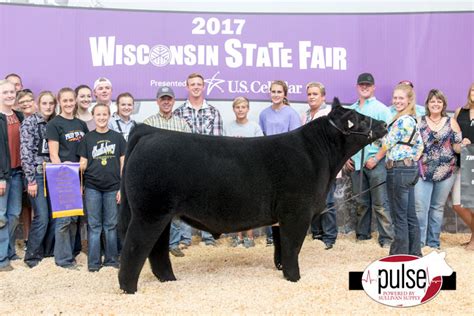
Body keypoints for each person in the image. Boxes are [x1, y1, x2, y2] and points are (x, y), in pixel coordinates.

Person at [372, 84, 423, 256]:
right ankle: (414, 254)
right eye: (395, 98)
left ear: (409, 100)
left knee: (399, 216)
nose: (397, 101)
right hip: (409, 170)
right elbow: (420, 147)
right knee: (409, 215)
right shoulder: (412, 119)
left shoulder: (401, 120)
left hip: (398, 170)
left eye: (401, 98)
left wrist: (376, 149)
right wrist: (410, 159)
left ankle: (399, 255)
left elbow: (387, 143)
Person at [173, 73, 223, 246]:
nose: (195, 87)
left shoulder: (213, 111)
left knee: (208, 199)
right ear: (187, 87)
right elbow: (178, 142)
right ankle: (185, 239)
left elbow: (217, 142)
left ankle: (208, 237)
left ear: (203, 87)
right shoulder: (178, 112)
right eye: (192, 84)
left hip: (208, 164)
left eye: (199, 84)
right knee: (183, 200)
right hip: (185, 164)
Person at [344, 72, 394, 248]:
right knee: (361, 203)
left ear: (373, 87)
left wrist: (377, 157)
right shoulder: (351, 110)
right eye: (361, 85)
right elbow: (345, 137)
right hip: (356, 163)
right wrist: (345, 157)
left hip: (376, 162)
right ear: (357, 87)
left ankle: (387, 239)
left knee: (380, 203)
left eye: (368, 85)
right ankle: (362, 237)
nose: (364, 87)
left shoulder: (382, 109)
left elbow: (390, 138)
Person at [144, 86, 191, 256]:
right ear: (157, 101)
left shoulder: (182, 124)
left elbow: (190, 150)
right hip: (156, 174)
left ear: (173, 101)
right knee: (157, 211)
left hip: (178, 174)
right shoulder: (148, 124)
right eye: (163, 99)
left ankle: (173, 243)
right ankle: (156, 244)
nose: (166, 102)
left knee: (176, 210)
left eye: (169, 99)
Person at [79, 103, 125, 272]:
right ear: (94, 116)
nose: (101, 117)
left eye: (104, 114)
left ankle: (112, 260)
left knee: (111, 225)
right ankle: (93, 263)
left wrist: (122, 187)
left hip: (113, 187)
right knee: (94, 225)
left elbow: (123, 163)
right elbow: (83, 163)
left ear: (109, 116)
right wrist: (78, 180)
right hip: (92, 187)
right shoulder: (87, 138)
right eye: (98, 114)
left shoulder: (118, 138)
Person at [46, 87, 89, 269]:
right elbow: (54, 154)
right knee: (64, 219)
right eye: (65, 101)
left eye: (71, 100)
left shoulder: (81, 124)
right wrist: (66, 177)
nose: (69, 104)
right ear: (60, 102)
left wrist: (83, 168)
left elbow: (86, 149)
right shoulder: (54, 124)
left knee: (74, 219)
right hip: (64, 177)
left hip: (80, 176)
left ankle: (71, 253)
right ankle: (63, 260)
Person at [415, 89, 462, 249]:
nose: (436, 104)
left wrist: (464, 145)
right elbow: (412, 145)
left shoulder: (452, 122)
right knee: (421, 208)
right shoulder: (418, 121)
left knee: (437, 208)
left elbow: (456, 146)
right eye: (432, 101)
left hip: (446, 171)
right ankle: (420, 244)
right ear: (427, 104)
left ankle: (433, 243)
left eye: (439, 101)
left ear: (443, 104)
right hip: (423, 171)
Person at [259, 80, 301, 245]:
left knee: (285, 201)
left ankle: (286, 236)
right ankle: (271, 236)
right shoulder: (264, 114)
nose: (276, 95)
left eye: (279, 92)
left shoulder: (291, 113)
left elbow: (296, 139)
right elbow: (262, 137)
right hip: (268, 162)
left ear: (285, 94)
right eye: (273, 92)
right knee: (269, 200)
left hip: (286, 162)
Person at [21, 91, 57, 268]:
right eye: (45, 103)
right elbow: (26, 153)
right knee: (41, 216)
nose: (48, 106)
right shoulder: (30, 122)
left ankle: (48, 251)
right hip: (37, 174)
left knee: (52, 215)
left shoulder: (53, 123)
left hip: (52, 173)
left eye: (51, 103)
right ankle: (32, 256)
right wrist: (31, 180)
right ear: (38, 104)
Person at [302, 82, 337, 250]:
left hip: (326, 167)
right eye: (309, 94)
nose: (312, 97)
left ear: (323, 96)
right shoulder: (306, 116)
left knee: (328, 202)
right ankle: (316, 234)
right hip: (310, 168)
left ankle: (329, 237)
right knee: (313, 202)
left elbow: (335, 142)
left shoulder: (329, 114)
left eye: (315, 94)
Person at [224, 96, 263, 248]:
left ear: (248, 109)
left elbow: (261, 148)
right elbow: (223, 149)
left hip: (250, 170)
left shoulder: (254, 127)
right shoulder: (228, 127)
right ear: (234, 109)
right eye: (237, 107)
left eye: (243, 107)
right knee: (235, 203)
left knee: (250, 204)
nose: (240, 110)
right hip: (233, 170)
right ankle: (238, 236)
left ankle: (250, 237)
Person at [0, 80, 24, 272]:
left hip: (17, 173)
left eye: (11, 92)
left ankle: (8, 250)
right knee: (1, 217)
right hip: (3, 175)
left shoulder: (19, 116)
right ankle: (1, 259)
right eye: (5, 92)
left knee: (14, 214)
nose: (9, 95)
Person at [453, 82, 474, 250]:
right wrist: (460, 143)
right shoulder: (460, 111)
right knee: (458, 204)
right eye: (473, 89)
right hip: (461, 162)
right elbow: (452, 133)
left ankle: (473, 240)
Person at [16, 89, 37, 251]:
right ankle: (28, 238)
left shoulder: (41, 118)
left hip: (36, 169)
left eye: (28, 100)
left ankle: (35, 240)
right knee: (25, 206)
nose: (25, 104)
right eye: (22, 102)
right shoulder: (18, 119)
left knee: (37, 207)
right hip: (22, 169)